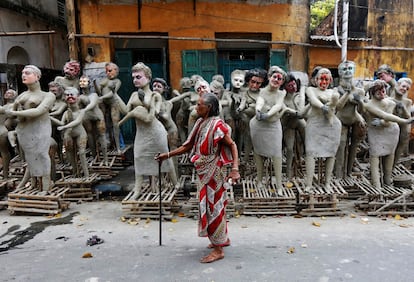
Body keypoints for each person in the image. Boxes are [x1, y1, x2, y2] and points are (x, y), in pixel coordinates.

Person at [155, 93, 240, 263]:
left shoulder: (218, 126)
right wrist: (167, 155)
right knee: (213, 206)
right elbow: (187, 146)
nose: (196, 107)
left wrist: (235, 169)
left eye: (200, 104)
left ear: (209, 107)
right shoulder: (201, 123)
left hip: (215, 172)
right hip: (204, 171)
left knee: (213, 208)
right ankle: (223, 238)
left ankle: (218, 250)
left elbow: (232, 145)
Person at [117, 62, 176, 198]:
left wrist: (144, 101)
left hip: (156, 132)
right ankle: (137, 189)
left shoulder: (155, 95)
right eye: (134, 77)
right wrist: (115, 96)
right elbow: (126, 111)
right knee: (138, 158)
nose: (135, 80)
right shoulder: (133, 95)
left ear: (148, 78)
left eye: (139, 77)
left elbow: (152, 115)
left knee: (164, 157)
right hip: (141, 133)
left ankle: (175, 183)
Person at [6, 65, 56, 192]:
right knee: (29, 156)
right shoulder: (22, 96)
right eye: (23, 73)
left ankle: (45, 186)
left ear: (37, 77)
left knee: (42, 154)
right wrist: (15, 110)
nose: (24, 75)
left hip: (40, 129)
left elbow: (39, 111)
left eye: (27, 73)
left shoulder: (48, 95)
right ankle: (33, 184)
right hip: (25, 130)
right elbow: (15, 116)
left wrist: (16, 113)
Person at [250, 66, 296, 195]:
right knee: (258, 153)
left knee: (277, 154)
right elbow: (260, 100)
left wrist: (268, 114)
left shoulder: (282, 93)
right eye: (274, 77)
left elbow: (278, 105)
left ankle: (279, 186)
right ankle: (259, 181)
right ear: (269, 77)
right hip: (258, 126)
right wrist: (258, 110)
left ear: (282, 82)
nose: (276, 80)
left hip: (273, 126)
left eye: (279, 79)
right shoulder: (262, 91)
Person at [364, 80, 414, 188]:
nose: (382, 93)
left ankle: (387, 180)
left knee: (390, 155)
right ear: (372, 92)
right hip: (375, 133)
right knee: (374, 155)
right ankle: (376, 184)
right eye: (378, 91)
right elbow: (383, 115)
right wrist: (405, 121)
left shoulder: (390, 103)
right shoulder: (368, 105)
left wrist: (382, 122)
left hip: (391, 131)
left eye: (383, 91)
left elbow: (387, 120)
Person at [304, 68, 341, 192]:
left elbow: (338, 105)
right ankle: (309, 184)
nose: (324, 82)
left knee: (330, 154)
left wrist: (333, 102)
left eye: (326, 79)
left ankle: (327, 183)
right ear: (316, 80)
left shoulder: (333, 92)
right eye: (321, 79)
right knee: (310, 153)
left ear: (330, 80)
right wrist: (323, 106)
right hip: (314, 124)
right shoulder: (311, 90)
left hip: (331, 126)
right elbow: (314, 101)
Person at [334, 61, 367, 178]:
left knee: (354, 147)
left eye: (350, 68)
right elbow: (338, 107)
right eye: (344, 69)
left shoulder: (359, 91)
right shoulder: (337, 90)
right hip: (341, 119)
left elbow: (362, 110)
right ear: (339, 72)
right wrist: (347, 94)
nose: (347, 71)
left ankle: (348, 172)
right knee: (341, 145)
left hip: (354, 118)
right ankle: (338, 174)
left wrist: (360, 101)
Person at [50, 87, 89, 178]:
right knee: (69, 154)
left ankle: (86, 174)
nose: (69, 97)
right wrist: (50, 117)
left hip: (80, 133)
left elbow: (77, 122)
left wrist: (64, 127)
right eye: (67, 95)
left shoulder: (81, 111)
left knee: (82, 153)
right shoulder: (66, 113)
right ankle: (75, 172)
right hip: (69, 134)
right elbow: (61, 123)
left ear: (77, 97)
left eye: (72, 95)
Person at [237, 68, 267, 163]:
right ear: (248, 81)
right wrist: (241, 108)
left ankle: (259, 159)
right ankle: (245, 159)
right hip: (248, 120)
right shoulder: (245, 93)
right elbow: (242, 103)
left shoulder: (263, 93)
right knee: (248, 138)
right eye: (252, 82)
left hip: (260, 120)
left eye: (258, 83)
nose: (254, 85)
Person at [281, 73, 307, 180]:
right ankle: (288, 172)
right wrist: (293, 112)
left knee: (308, 139)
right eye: (290, 85)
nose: (293, 87)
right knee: (289, 148)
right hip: (288, 125)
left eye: (294, 84)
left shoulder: (299, 96)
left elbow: (303, 110)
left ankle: (304, 158)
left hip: (300, 122)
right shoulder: (282, 97)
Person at [78, 75, 108, 165]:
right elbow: (77, 108)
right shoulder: (80, 97)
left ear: (89, 84)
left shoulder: (93, 95)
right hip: (87, 116)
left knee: (102, 135)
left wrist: (83, 110)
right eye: (81, 81)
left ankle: (105, 159)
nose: (82, 83)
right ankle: (95, 156)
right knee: (89, 135)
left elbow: (92, 103)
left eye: (84, 81)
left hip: (97, 115)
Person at [97, 62, 123, 152]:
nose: (108, 73)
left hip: (113, 103)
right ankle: (106, 144)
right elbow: (99, 91)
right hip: (104, 104)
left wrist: (102, 97)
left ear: (116, 71)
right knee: (103, 124)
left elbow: (112, 93)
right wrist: (96, 85)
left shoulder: (117, 81)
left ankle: (118, 147)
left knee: (115, 124)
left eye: (110, 71)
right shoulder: (104, 80)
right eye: (107, 71)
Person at [392, 77, 413, 167]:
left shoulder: (407, 102)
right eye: (403, 86)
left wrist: (403, 108)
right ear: (397, 85)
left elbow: (408, 116)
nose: (404, 89)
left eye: (407, 88)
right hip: (391, 128)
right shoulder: (389, 99)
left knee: (399, 149)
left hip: (403, 129)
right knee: (390, 149)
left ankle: (393, 166)